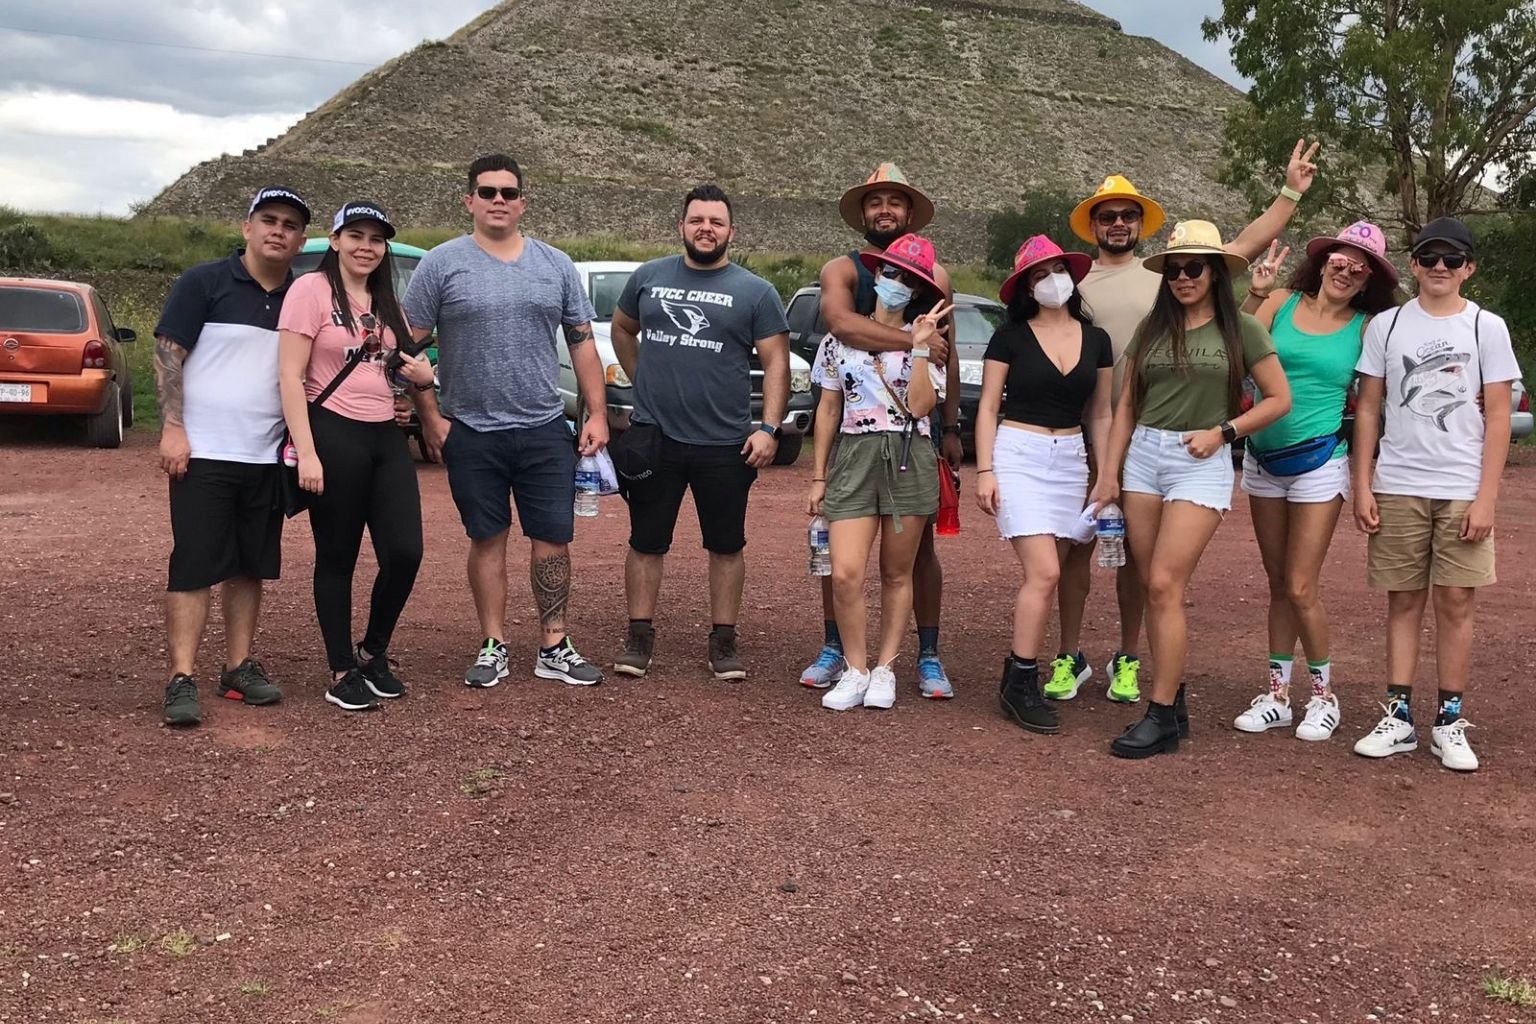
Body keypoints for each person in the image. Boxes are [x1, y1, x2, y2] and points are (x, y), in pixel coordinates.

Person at [1055, 141, 1319, 705]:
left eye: (1129, 215)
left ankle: (1139, 672)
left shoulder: (1174, 290)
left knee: (1153, 578)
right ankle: (1070, 654)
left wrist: (1290, 191)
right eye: (1108, 216)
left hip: (1189, 440)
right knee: (1085, 551)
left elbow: (1245, 246)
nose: (1119, 223)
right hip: (1101, 431)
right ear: (1093, 225)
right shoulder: (1074, 284)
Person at [402, 154, 608, 689]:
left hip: (543, 427)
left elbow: (582, 342)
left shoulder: (555, 265)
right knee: (487, 538)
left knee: (553, 540)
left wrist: (597, 414)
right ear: (468, 199)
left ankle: (554, 644)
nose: (499, 200)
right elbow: (409, 350)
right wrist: (431, 419)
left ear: (523, 202)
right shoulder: (441, 265)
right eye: (488, 191)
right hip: (471, 428)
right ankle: (493, 643)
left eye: (508, 193)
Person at [1097, 220, 1292, 758]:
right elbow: (1125, 407)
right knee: (1150, 581)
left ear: (1214, 273)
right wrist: (1109, 474)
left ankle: (1159, 717)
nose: (1183, 277)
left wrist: (1224, 432)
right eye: (1176, 269)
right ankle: (1171, 700)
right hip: (1143, 456)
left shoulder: (1243, 331)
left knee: (1163, 582)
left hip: (1198, 457)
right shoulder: (1152, 329)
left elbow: (1278, 399)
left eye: (1194, 268)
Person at [1350, 217, 1520, 772]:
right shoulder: (1388, 325)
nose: (1440, 268)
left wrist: (1487, 496)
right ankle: (1398, 716)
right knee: (1403, 600)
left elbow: (1499, 414)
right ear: (1415, 265)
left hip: (1461, 486)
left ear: (1468, 268)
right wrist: (1362, 482)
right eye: (1428, 258)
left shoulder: (1486, 327)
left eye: (1452, 259)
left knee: (1455, 602)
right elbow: (1369, 407)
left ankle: (1449, 720)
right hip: (1398, 482)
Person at [608, 184, 791, 680]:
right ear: (681, 226)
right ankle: (639, 636)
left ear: (731, 231)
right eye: (696, 220)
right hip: (655, 437)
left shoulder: (755, 291)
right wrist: (640, 374)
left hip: (725, 443)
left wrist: (769, 427)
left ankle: (724, 640)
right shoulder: (648, 278)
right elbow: (622, 328)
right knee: (646, 541)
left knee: (727, 545)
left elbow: (776, 363)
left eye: (715, 221)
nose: (705, 228)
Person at [1230, 222, 1398, 741]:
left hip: (1320, 462)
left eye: (1359, 264)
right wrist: (1256, 290)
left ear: (1369, 277)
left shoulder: (1367, 327)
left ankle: (1325, 698)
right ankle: (1279, 694)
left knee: (1302, 586)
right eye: (1340, 258)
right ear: (1324, 261)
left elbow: (1387, 389)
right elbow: (1231, 347)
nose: (1345, 269)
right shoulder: (1280, 301)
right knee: (1278, 585)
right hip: (1261, 458)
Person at [799, 164, 960, 699]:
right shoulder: (841, 271)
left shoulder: (935, 288)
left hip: (911, 447)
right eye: (876, 202)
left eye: (896, 202)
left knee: (908, 564)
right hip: (854, 451)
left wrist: (951, 419)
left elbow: (941, 368)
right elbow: (839, 331)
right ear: (864, 214)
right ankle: (850, 662)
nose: (885, 210)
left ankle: (896, 664)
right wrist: (817, 476)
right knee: (843, 568)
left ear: (910, 212)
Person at [154, 185, 311, 727]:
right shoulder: (204, 282)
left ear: (301, 240)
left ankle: (238, 666)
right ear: (247, 227)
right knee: (195, 563)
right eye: (268, 219)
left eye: (289, 225)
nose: (278, 231)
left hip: (266, 456)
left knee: (250, 566)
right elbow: (168, 353)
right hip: (205, 452)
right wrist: (173, 427)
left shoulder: (301, 297)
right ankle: (181, 676)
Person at [278, 201, 436, 712]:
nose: (366, 246)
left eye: (376, 238)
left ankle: (374, 650)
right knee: (338, 555)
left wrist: (422, 380)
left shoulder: (388, 299)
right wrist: (307, 451)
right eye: (356, 235)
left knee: (405, 551)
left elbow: (398, 364)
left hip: (383, 433)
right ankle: (341, 667)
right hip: (330, 430)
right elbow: (289, 375)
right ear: (336, 238)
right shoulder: (310, 291)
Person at [974, 237, 1116, 734]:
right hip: (1018, 451)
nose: (1052, 279)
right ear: (1026, 287)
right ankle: (1019, 680)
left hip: (1072, 458)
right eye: (1040, 273)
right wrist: (986, 469)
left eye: (1058, 268)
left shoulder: (1096, 339)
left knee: (1058, 566)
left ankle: (1028, 674)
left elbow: (1101, 411)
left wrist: (1107, 472)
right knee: (1045, 572)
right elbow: (989, 405)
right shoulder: (1009, 336)